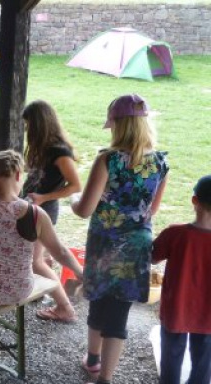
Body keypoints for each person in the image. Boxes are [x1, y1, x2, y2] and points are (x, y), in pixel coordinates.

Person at [71, 94, 169, 384]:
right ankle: (106, 378)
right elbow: (152, 210)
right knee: (119, 311)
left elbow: (84, 209)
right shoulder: (160, 163)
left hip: (104, 243)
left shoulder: (108, 161)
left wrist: (76, 198)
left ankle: (92, 360)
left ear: (117, 126)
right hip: (137, 246)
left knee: (97, 298)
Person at [0, 150, 83, 352]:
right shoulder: (36, 214)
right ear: (18, 175)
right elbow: (60, 251)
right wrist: (80, 272)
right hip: (20, 289)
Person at [21, 100, 82, 323]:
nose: (27, 130)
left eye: (29, 125)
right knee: (44, 256)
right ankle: (48, 286)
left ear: (40, 124)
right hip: (33, 206)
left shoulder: (60, 152)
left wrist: (43, 197)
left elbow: (75, 186)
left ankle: (65, 307)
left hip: (44, 209)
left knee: (35, 261)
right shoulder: (42, 147)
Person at [152, 175, 211, 384]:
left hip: (176, 309)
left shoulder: (175, 233)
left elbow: (152, 256)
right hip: (208, 315)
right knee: (204, 363)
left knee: (171, 357)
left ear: (194, 200)